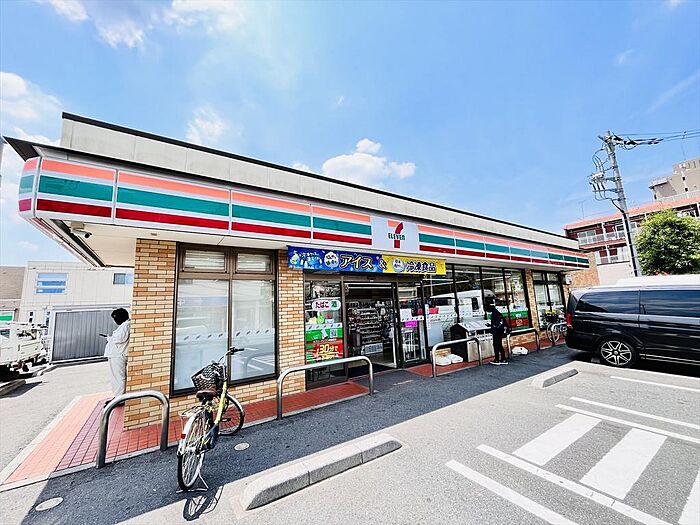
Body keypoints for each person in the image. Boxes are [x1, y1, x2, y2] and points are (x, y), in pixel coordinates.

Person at [103, 308, 130, 398]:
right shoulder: (126, 325)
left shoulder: (126, 325)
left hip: (118, 355)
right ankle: (119, 396)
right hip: (118, 354)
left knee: (118, 377)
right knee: (118, 377)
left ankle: (119, 397)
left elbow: (120, 339)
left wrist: (110, 338)